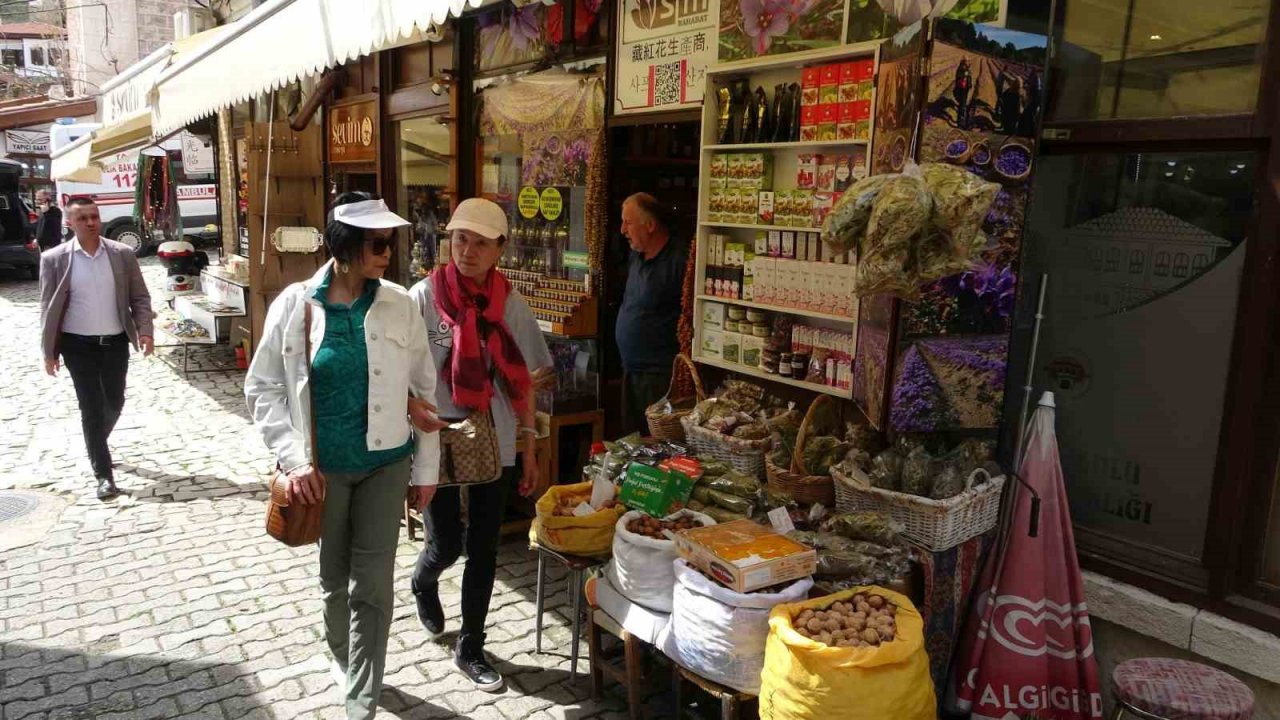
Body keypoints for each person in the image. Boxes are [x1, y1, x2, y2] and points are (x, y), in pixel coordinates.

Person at [244, 197, 446, 720]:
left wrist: (426, 470)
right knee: (334, 578)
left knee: (372, 582)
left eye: (390, 244)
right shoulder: (295, 304)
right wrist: (293, 461)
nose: (387, 254)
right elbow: (262, 386)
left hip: (386, 463)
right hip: (322, 473)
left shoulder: (401, 303)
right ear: (345, 247)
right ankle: (340, 653)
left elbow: (423, 390)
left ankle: (363, 696)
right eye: (377, 245)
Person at [408, 197, 553, 693]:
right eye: (460, 239)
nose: (468, 251)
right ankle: (423, 581)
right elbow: (398, 375)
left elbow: (525, 383)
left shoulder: (510, 304)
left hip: (494, 438)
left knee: (484, 546)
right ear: (448, 241)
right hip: (435, 436)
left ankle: (471, 645)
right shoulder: (422, 298)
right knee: (445, 542)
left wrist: (529, 449)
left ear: (500, 249)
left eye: (481, 243)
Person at [38, 197, 154, 500]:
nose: (90, 223)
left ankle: (96, 443)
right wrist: (48, 352)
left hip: (114, 342)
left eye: (94, 217)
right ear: (69, 223)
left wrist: (145, 331)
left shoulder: (122, 254)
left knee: (114, 401)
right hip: (77, 345)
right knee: (90, 407)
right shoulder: (55, 259)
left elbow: (140, 297)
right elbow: (47, 308)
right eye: (83, 219)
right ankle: (103, 475)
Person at [616, 192, 687, 435]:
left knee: (656, 442)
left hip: (658, 374)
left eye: (628, 222)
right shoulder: (635, 256)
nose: (622, 230)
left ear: (650, 225)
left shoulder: (678, 259)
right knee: (632, 439)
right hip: (631, 369)